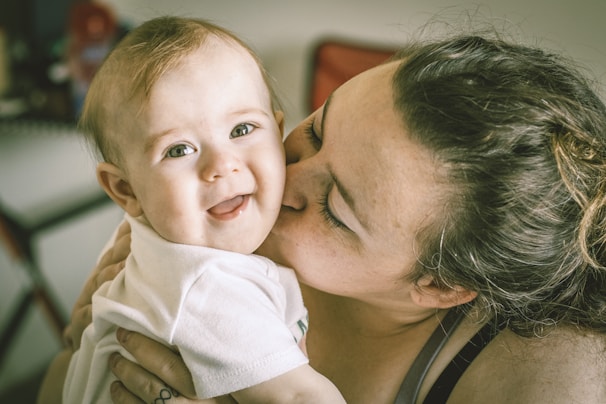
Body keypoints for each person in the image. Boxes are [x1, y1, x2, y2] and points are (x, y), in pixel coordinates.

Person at [39, 30, 606, 404]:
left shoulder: (548, 377)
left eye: (335, 209)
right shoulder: (205, 224)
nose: (278, 178)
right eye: (314, 129)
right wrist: (75, 342)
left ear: (436, 285)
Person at [58, 16, 344, 404]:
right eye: (179, 150)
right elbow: (298, 397)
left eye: (242, 129)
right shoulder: (209, 285)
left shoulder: (156, 241)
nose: (222, 165)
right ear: (127, 190)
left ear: (277, 135)